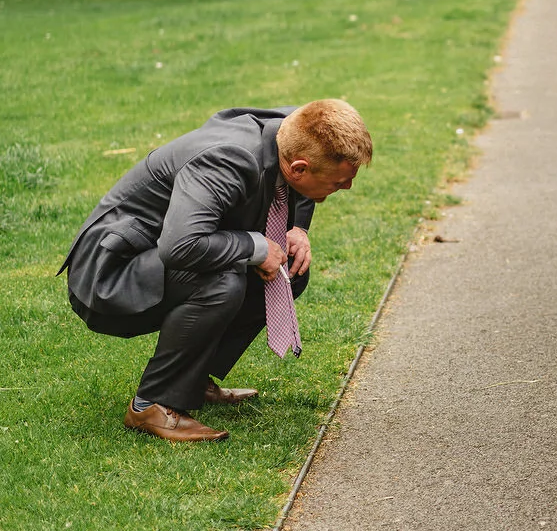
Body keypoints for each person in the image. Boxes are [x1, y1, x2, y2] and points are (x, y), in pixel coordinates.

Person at [59, 100, 373, 442]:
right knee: (223, 280)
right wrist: (256, 247)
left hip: (160, 254)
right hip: (111, 272)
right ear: (298, 168)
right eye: (340, 183)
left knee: (290, 271)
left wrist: (298, 228)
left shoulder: (293, 130)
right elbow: (181, 246)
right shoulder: (229, 160)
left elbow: (304, 181)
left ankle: (191, 381)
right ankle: (152, 405)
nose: (346, 188)